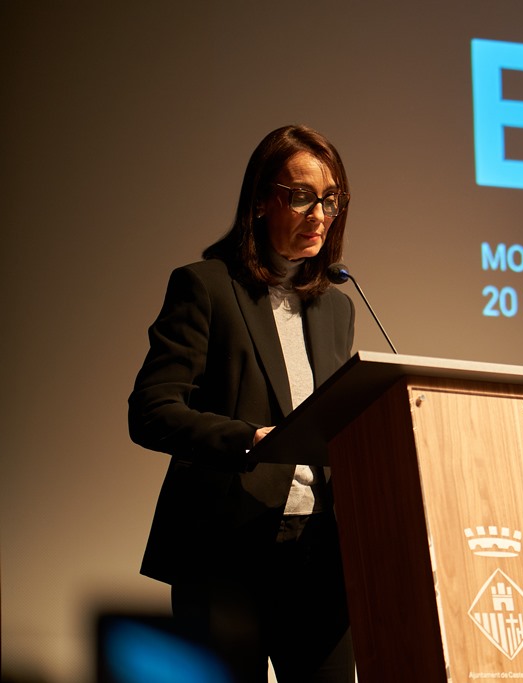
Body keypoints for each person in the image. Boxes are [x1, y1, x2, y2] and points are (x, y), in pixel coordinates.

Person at [128, 124, 357, 682]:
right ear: (260, 201)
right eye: (301, 195)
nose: (318, 215)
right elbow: (152, 411)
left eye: (330, 200)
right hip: (227, 551)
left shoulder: (337, 308)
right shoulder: (205, 287)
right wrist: (248, 441)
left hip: (320, 553)